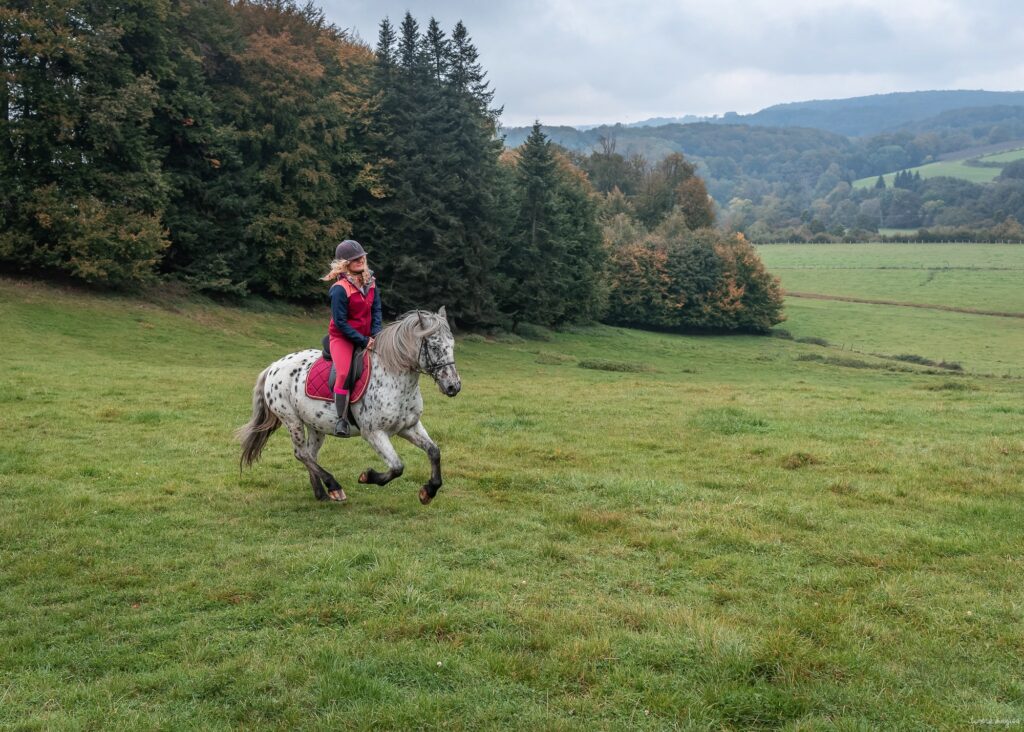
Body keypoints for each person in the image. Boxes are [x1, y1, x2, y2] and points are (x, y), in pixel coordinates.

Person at [320, 239, 382, 437]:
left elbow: (377, 309)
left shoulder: (371, 282)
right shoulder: (339, 289)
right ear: (345, 263)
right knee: (343, 373)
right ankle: (341, 420)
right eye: (355, 259)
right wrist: (363, 341)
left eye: (362, 256)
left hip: (368, 336)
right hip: (343, 338)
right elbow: (340, 322)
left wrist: (375, 334)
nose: (360, 260)